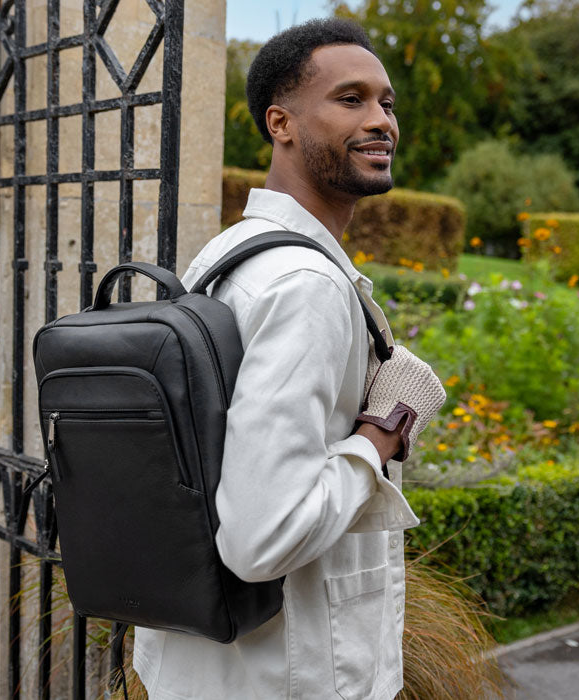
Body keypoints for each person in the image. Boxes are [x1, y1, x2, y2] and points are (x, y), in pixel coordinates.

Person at [133, 18, 445, 699]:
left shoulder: (227, 254)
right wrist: (383, 430)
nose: (380, 121)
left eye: (387, 103)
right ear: (281, 123)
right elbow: (261, 539)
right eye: (350, 99)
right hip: (288, 677)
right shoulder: (304, 286)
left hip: (203, 666)